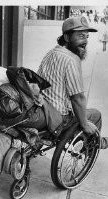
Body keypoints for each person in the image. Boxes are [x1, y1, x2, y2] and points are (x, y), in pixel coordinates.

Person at [37, 16, 108, 149]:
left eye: (87, 37)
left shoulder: (51, 53)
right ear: (67, 37)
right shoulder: (71, 59)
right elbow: (77, 98)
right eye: (81, 36)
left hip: (43, 107)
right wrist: (85, 123)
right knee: (95, 115)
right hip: (59, 118)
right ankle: (88, 148)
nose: (85, 41)